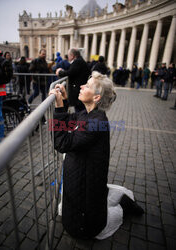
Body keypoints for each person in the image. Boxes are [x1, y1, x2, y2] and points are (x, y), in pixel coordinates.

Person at [49, 71, 144, 240]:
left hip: (86, 197)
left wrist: (57, 107)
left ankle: (124, 206)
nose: (82, 86)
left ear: (96, 98)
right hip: (83, 181)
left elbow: (62, 144)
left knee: (100, 220)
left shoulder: (96, 122)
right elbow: (69, 120)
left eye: (87, 85)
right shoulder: (87, 114)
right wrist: (63, 101)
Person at [56, 48, 90, 112]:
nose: (68, 57)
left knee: (79, 109)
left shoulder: (77, 61)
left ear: (72, 55)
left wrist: (59, 72)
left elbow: (70, 72)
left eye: (68, 55)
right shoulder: (79, 61)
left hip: (77, 90)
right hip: (79, 88)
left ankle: (80, 121)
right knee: (80, 109)